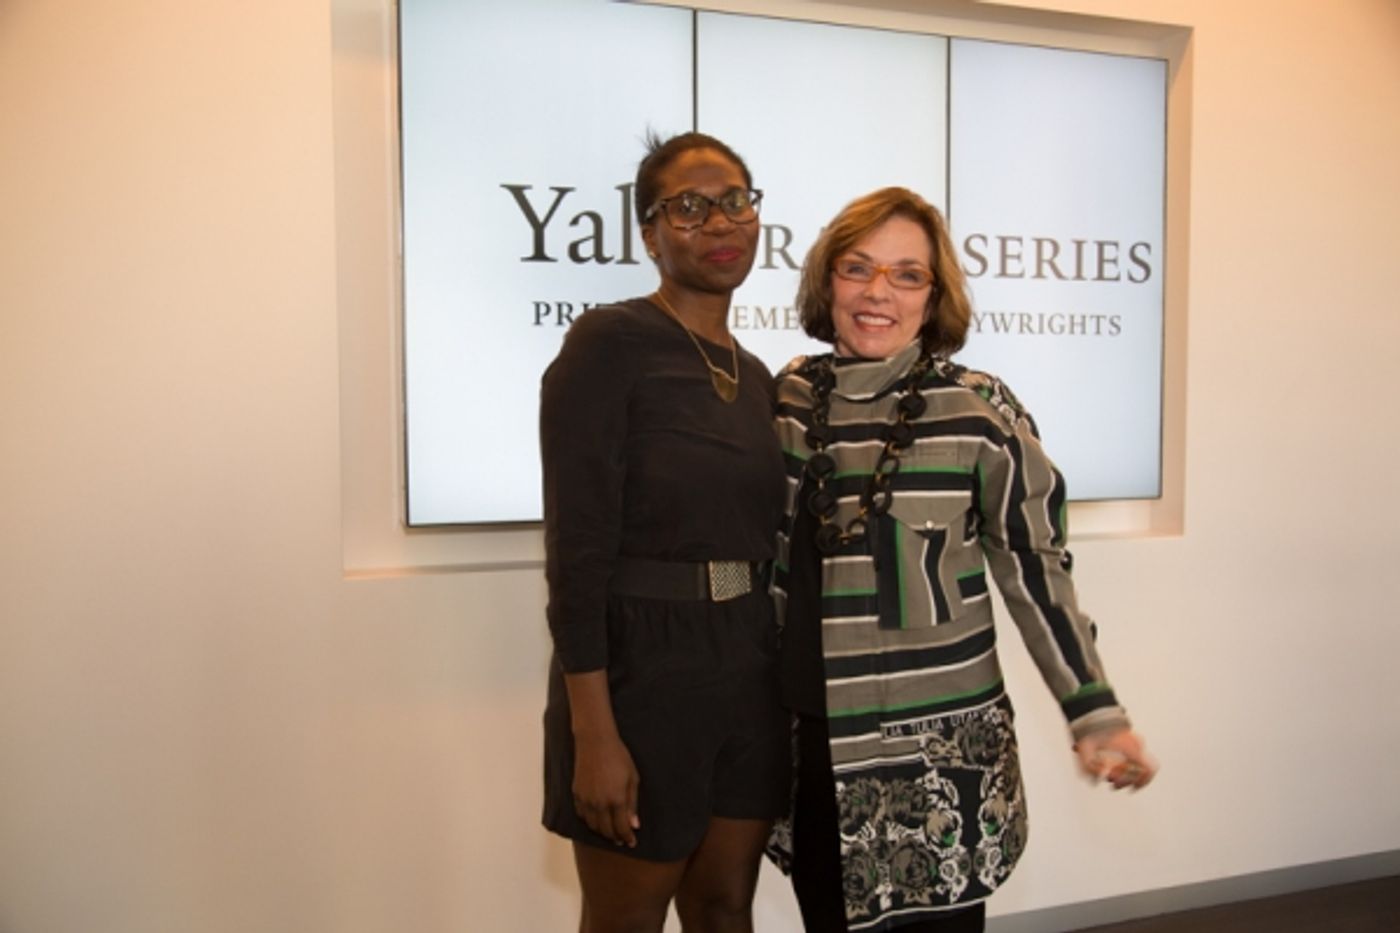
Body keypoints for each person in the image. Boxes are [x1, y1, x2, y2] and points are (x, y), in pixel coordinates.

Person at [767, 187, 1158, 933]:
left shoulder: (980, 410)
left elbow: (1037, 570)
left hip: (941, 763)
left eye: (907, 274)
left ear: (934, 296)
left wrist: (1095, 709)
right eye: (858, 268)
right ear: (828, 282)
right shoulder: (786, 400)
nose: (879, 291)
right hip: (817, 747)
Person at [539, 132, 790, 933]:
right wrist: (594, 734)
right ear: (650, 233)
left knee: (725, 909)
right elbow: (575, 556)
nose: (720, 220)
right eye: (690, 206)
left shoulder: (756, 379)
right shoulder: (608, 344)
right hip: (642, 676)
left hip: (746, 669)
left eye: (736, 201)